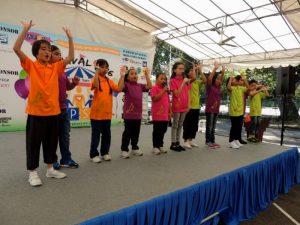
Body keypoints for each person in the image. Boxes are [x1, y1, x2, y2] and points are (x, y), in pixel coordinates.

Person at [13, 20, 74, 186]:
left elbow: (71, 57)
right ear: (36, 53)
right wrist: (25, 30)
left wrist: (70, 38)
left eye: (49, 50)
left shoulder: (55, 68)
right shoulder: (31, 66)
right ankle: (32, 173)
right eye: (43, 49)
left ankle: (50, 170)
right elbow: (16, 49)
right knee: (33, 144)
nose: (47, 52)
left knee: (50, 143)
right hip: (36, 113)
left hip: (53, 112)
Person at [50, 45, 79, 169]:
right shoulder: (49, 70)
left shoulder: (62, 72)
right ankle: (52, 160)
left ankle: (66, 159)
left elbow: (68, 87)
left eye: (60, 54)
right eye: (56, 53)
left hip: (64, 109)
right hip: (52, 110)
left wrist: (74, 83)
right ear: (48, 55)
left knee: (65, 136)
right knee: (52, 137)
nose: (60, 56)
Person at [89, 59, 122, 163]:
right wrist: (96, 72)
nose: (105, 69)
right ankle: (93, 155)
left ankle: (105, 153)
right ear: (98, 67)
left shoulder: (109, 81)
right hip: (96, 114)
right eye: (102, 67)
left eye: (106, 67)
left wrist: (122, 75)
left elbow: (119, 89)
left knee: (107, 135)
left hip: (107, 114)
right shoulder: (95, 78)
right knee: (96, 135)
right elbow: (95, 85)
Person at [118, 66, 152, 159]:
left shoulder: (140, 86)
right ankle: (124, 149)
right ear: (128, 77)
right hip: (128, 115)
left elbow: (150, 86)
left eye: (135, 74)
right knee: (127, 133)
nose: (134, 75)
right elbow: (119, 88)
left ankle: (134, 147)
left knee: (136, 133)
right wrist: (122, 75)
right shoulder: (127, 85)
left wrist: (147, 75)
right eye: (132, 74)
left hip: (137, 115)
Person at [169, 62, 195, 152]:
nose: (182, 70)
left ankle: (177, 142)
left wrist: (188, 105)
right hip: (177, 106)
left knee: (180, 125)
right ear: (175, 70)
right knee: (175, 125)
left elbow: (188, 92)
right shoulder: (172, 81)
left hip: (184, 106)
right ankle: (173, 143)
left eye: (183, 69)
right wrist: (183, 83)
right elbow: (176, 94)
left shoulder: (185, 80)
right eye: (179, 68)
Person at [182, 63, 207, 148]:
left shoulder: (197, 82)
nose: (193, 72)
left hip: (196, 106)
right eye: (191, 71)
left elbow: (205, 80)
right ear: (187, 73)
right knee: (187, 124)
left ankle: (190, 140)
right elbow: (194, 78)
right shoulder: (186, 80)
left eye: (193, 71)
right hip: (188, 106)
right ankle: (185, 140)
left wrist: (200, 69)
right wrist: (194, 67)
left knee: (194, 125)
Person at [205, 62, 225, 148]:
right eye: (217, 79)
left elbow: (221, 79)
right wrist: (215, 69)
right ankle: (208, 141)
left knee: (213, 127)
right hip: (210, 110)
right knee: (209, 126)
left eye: (220, 80)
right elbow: (209, 79)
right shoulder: (210, 87)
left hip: (216, 110)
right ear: (214, 80)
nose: (219, 81)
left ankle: (212, 140)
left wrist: (223, 72)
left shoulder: (218, 88)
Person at [150, 73, 171, 155]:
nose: (164, 80)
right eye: (161, 79)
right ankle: (155, 146)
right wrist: (163, 91)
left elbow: (168, 101)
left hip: (165, 115)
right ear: (156, 80)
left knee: (163, 130)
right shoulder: (154, 88)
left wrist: (170, 111)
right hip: (157, 114)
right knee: (157, 130)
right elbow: (154, 98)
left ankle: (160, 145)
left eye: (165, 79)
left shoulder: (166, 90)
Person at [227, 74, 249, 149]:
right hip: (234, 111)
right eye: (235, 80)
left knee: (238, 127)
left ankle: (236, 140)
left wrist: (245, 80)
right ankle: (231, 141)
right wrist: (230, 78)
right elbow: (228, 87)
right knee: (234, 127)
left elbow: (248, 88)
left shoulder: (241, 88)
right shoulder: (232, 88)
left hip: (240, 111)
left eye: (236, 80)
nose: (236, 81)